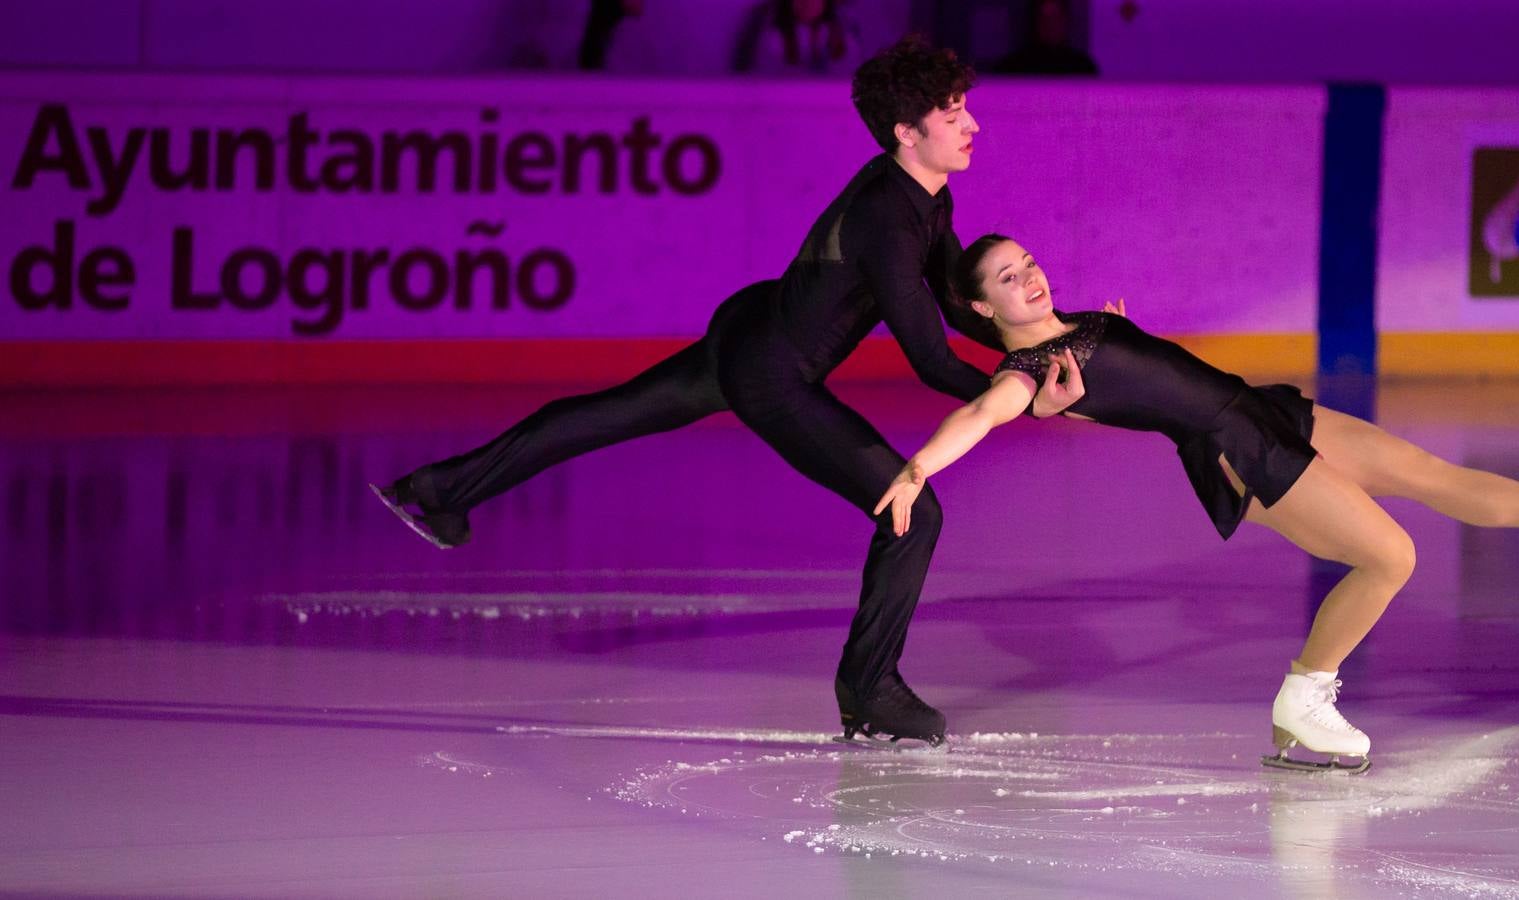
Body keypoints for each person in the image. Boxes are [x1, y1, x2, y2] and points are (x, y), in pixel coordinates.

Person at [374, 38, 1088, 747]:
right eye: (953, 112)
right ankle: (870, 691)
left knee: (610, 413)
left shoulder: (924, 199)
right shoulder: (887, 218)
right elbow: (930, 358)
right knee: (914, 509)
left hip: (753, 330)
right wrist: (1023, 395)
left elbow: (959, 304)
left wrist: (1053, 336)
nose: (973, 125)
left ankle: (440, 488)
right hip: (772, 375)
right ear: (908, 132)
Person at [874, 235, 1519, 771]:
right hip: (1240, 451)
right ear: (982, 308)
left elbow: (1138, 381)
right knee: (1392, 556)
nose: (1031, 277)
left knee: (1423, 472)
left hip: (1259, 409)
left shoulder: (1080, 328)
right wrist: (916, 469)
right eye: (1007, 279)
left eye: (1028, 262)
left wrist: (1122, 351)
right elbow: (982, 414)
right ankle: (1305, 696)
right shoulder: (1025, 374)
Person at [733, 0, 864, 77]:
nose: (807, 4)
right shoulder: (773, 38)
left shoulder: (842, 36)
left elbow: (848, 75)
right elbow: (764, 75)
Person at [991, 0, 1099, 76]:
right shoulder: (1012, 67)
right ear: (1035, 21)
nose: (1050, 24)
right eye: (1044, 18)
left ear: (1066, 20)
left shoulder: (1083, 68)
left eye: (1055, 17)